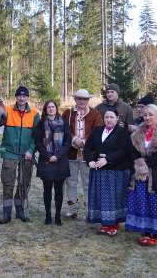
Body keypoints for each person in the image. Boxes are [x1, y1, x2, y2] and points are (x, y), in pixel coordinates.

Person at [83, 108, 131, 236]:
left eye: (111, 117)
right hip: (98, 171)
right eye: (106, 117)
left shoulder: (122, 132)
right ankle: (104, 223)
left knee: (113, 198)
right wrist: (90, 161)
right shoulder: (97, 131)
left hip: (115, 172)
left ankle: (114, 224)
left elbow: (124, 150)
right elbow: (87, 147)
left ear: (117, 118)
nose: (108, 119)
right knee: (100, 197)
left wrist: (108, 160)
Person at [0, 86, 40, 224]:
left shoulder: (34, 114)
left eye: (24, 96)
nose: (22, 98)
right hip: (10, 153)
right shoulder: (7, 110)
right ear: (16, 97)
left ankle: (20, 209)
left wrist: (31, 150)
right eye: (19, 96)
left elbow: (37, 136)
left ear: (28, 98)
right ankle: (6, 213)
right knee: (8, 182)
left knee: (24, 182)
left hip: (26, 155)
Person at [62, 89, 103, 218]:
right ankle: (72, 208)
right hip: (71, 153)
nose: (82, 101)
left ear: (88, 100)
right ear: (75, 99)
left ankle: (89, 210)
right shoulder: (67, 113)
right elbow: (64, 129)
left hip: (88, 155)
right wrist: (74, 139)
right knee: (71, 182)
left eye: (84, 99)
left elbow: (98, 131)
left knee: (88, 183)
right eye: (79, 98)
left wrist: (84, 141)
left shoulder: (95, 114)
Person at [35, 100, 72, 226]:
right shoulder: (41, 124)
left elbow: (68, 142)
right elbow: (38, 143)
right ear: (45, 110)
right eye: (48, 107)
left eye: (53, 107)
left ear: (56, 109)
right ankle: (48, 215)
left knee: (59, 191)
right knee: (47, 190)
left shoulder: (64, 123)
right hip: (46, 161)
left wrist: (57, 155)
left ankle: (57, 216)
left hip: (60, 161)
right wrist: (48, 156)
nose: (51, 109)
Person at [126, 104, 157, 246]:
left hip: (155, 172)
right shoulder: (137, 133)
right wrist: (139, 163)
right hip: (140, 174)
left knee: (154, 202)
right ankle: (145, 231)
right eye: (145, 115)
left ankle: (155, 233)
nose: (147, 117)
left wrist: (146, 163)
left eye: (150, 114)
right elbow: (132, 150)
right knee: (143, 201)